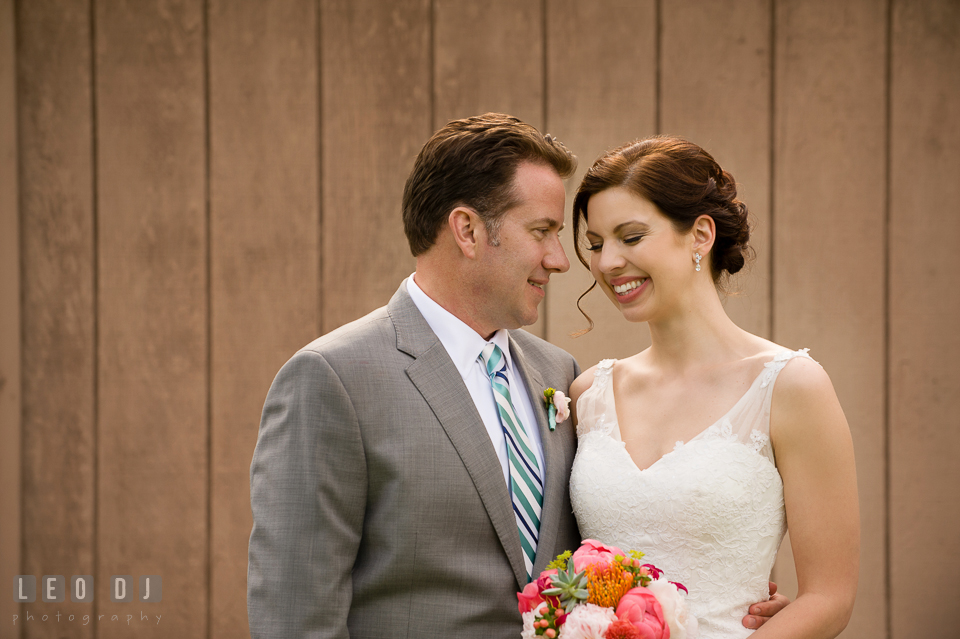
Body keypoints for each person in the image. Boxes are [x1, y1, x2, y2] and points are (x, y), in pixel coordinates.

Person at [247, 114, 786, 639]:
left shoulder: (559, 375)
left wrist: (723, 596)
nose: (562, 260)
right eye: (542, 231)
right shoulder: (333, 378)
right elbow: (294, 614)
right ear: (467, 230)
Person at [567, 136, 860, 638]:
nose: (608, 262)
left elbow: (829, 598)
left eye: (631, 237)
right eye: (595, 244)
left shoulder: (790, 387)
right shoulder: (588, 394)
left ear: (700, 234)